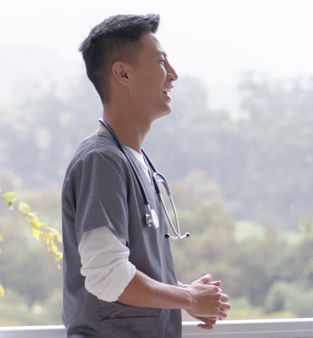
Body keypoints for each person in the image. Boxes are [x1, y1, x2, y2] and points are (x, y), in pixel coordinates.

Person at [61, 14, 230, 337]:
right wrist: (188, 297)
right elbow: (107, 276)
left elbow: (129, 272)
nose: (174, 75)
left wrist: (184, 296)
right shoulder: (101, 161)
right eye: (162, 63)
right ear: (122, 73)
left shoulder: (131, 160)